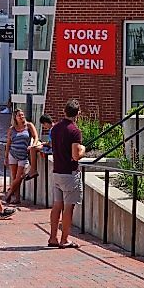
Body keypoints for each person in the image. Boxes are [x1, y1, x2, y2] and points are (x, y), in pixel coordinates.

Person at [48, 100, 85, 248]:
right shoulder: (74, 131)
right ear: (78, 113)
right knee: (69, 207)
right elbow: (76, 155)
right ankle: (64, 239)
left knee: (57, 206)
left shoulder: (55, 128)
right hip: (70, 173)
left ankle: (52, 237)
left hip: (57, 171)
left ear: (64, 111)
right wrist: (83, 150)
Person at [3, 108, 38, 205]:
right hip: (13, 153)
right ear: (15, 117)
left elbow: (36, 136)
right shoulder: (12, 129)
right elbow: (8, 143)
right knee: (14, 177)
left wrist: (33, 145)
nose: (21, 117)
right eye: (19, 115)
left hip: (23, 155)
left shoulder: (29, 126)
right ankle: (17, 198)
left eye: (22, 115)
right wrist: (5, 157)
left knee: (19, 177)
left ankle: (9, 192)